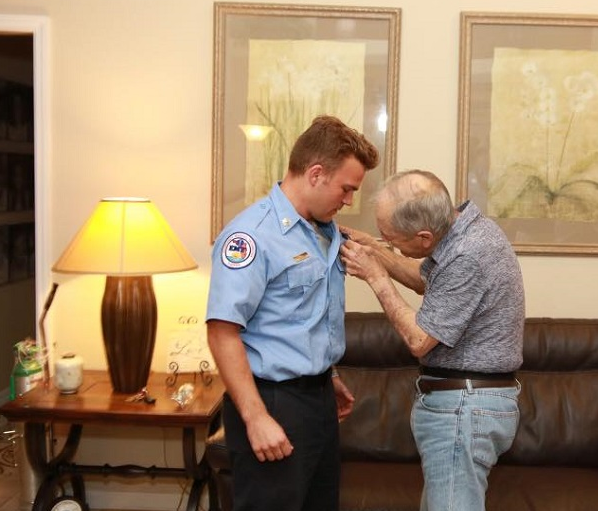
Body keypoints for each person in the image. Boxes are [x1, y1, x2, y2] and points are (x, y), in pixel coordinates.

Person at [205, 115, 380, 511]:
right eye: (347, 189)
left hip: (316, 401)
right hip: (272, 402)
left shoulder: (326, 231)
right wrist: (255, 419)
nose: (349, 200)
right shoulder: (251, 236)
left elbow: (305, 315)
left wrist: (326, 374)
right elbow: (222, 333)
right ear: (316, 174)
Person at [339, 169, 525, 511]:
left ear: (424, 237)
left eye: (392, 238)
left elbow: (420, 339)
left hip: (463, 409)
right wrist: (374, 249)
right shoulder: (461, 228)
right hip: (465, 402)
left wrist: (376, 277)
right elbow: (425, 281)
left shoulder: (468, 255)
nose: (389, 243)